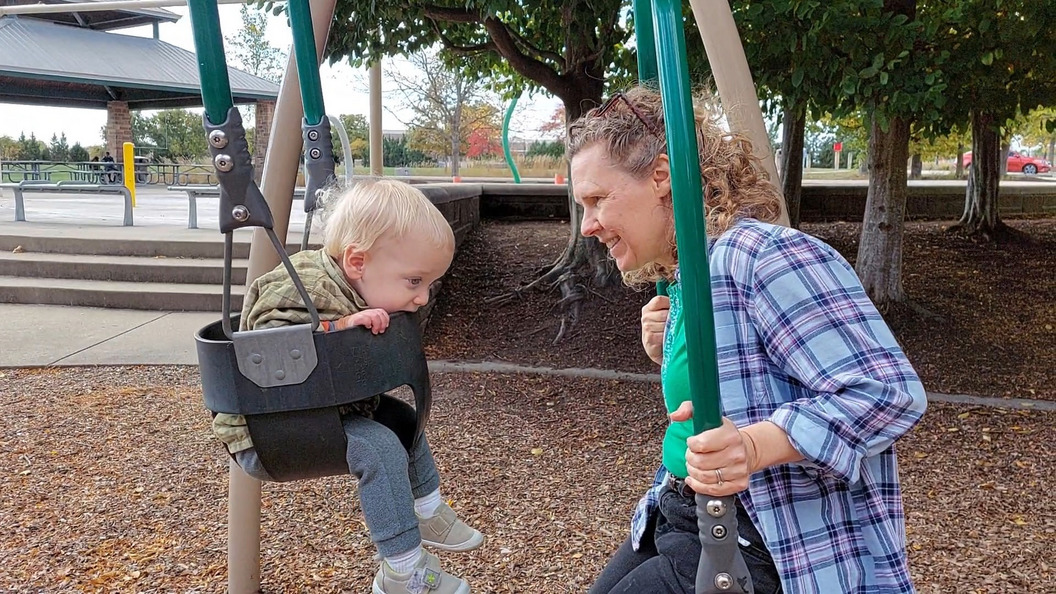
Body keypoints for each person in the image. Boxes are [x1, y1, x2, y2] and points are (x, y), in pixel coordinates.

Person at [568, 87, 928, 594]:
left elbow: (887, 392)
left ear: (661, 176)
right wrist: (668, 347)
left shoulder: (762, 256)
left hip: (756, 537)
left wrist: (755, 446)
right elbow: (741, 379)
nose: (587, 225)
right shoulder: (688, 276)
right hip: (675, 508)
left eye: (597, 200)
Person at [211, 179, 482, 594]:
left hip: (326, 413)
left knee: (403, 420)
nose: (423, 297)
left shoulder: (353, 283)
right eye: (414, 281)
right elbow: (266, 347)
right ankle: (403, 572)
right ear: (358, 262)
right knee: (379, 448)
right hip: (272, 431)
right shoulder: (301, 285)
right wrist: (336, 328)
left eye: (428, 284)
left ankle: (427, 509)